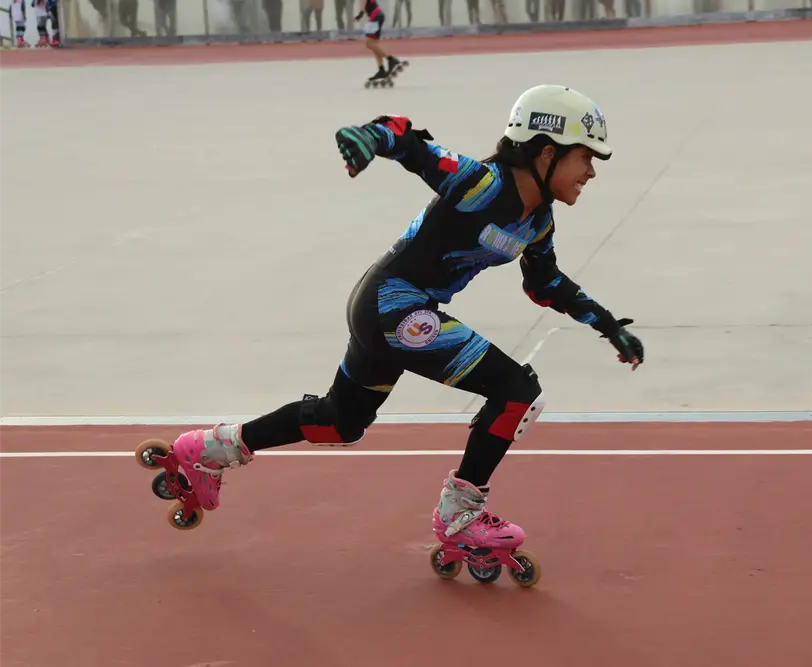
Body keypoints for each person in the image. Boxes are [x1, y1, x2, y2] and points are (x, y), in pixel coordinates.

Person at [162, 84, 644, 550]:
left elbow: (545, 285)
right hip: (395, 306)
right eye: (586, 157)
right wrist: (373, 137)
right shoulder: (482, 184)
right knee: (516, 392)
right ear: (546, 151)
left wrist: (608, 325)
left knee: (339, 423)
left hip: (393, 309)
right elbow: (414, 146)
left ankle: (207, 451)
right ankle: (461, 516)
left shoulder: (537, 221)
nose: (592, 172)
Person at [355, 0, 405, 85]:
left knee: (369, 43)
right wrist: (360, 15)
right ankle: (381, 70)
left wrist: (359, 16)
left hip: (375, 16)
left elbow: (363, 5)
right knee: (374, 44)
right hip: (378, 15)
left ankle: (391, 60)